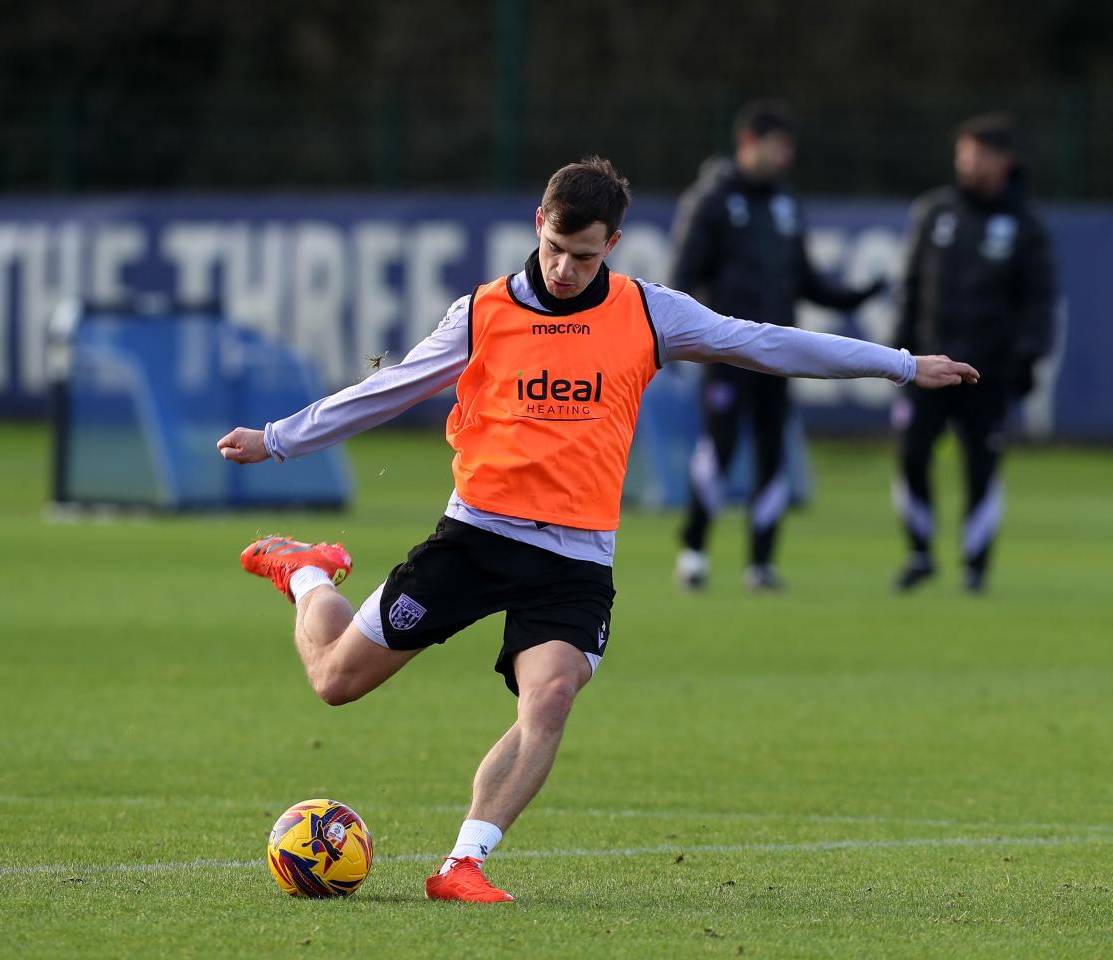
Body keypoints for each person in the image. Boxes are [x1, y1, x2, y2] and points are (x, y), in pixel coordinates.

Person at [216, 157, 978, 903]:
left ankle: (463, 864)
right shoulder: (482, 312)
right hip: (474, 539)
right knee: (336, 683)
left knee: (548, 698)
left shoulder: (649, 312)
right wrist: (277, 439)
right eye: (554, 248)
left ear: (612, 244)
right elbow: (387, 390)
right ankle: (307, 570)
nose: (565, 269)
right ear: (537, 225)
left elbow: (766, 342)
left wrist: (903, 366)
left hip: (575, 559)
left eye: (584, 256)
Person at [670, 100, 887, 593]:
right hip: (725, 353)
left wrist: (857, 294)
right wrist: (687, 340)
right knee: (718, 450)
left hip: (779, 356)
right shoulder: (713, 199)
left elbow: (805, 280)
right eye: (776, 147)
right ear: (748, 143)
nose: (784, 158)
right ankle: (694, 551)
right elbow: (682, 279)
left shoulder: (786, 205)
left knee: (773, 453)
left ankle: (761, 562)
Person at [891, 113, 1056, 594]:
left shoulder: (1026, 226)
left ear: (1003, 162)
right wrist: (895, 354)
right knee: (912, 457)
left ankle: (975, 565)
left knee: (981, 467)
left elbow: (1040, 299)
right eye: (964, 154)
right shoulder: (935, 211)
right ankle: (920, 552)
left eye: (980, 156)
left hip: (988, 371)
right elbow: (911, 287)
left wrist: (1029, 357)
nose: (969, 164)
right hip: (927, 366)